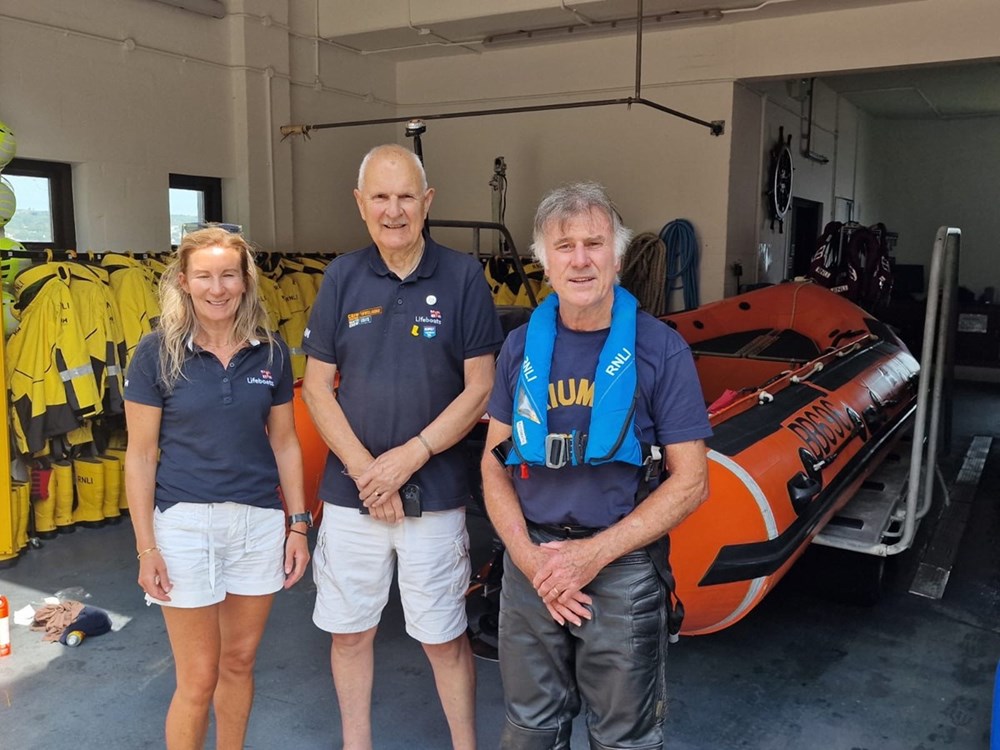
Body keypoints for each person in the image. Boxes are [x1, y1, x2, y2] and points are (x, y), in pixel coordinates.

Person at [480, 182, 713, 750]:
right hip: (531, 561)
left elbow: (692, 480)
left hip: (621, 569)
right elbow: (493, 465)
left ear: (617, 254)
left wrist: (591, 556)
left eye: (594, 243)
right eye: (564, 246)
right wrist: (532, 561)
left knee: (623, 740)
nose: (580, 259)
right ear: (544, 259)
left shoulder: (661, 349)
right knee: (529, 731)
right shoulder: (518, 349)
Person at [301, 144, 503, 750]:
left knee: (443, 637)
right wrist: (369, 473)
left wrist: (409, 458)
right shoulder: (341, 275)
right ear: (361, 205)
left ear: (428, 202)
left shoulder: (464, 276)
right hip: (350, 494)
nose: (394, 210)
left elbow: (482, 387)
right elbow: (316, 388)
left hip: (435, 494)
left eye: (406, 196)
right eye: (381, 197)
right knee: (349, 633)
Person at [124, 227, 311, 750]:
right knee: (198, 677)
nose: (218, 288)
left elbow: (286, 443)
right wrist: (146, 548)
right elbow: (139, 457)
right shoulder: (156, 353)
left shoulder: (271, 353)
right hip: (184, 525)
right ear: (184, 282)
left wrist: (298, 525)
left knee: (239, 662)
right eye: (204, 276)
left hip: (257, 523)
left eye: (229, 274)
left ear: (245, 280)